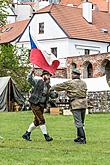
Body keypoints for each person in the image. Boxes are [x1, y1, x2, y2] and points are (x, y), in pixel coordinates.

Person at [53, 68, 87, 144]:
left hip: (76, 104)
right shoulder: (84, 83)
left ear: (75, 75)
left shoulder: (70, 83)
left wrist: (51, 88)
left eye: (72, 74)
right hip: (84, 104)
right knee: (81, 122)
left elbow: (59, 86)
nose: (71, 75)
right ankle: (79, 137)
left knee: (78, 122)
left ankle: (82, 139)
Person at [22, 69, 55, 142]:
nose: (49, 77)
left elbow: (52, 95)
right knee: (41, 119)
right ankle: (46, 136)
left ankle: (26, 134)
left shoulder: (49, 86)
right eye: (47, 75)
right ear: (43, 76)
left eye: (49, 76)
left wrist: (55, 94)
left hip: (42, 105)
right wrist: (31, 73)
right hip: (34, 103)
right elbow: (29, 79)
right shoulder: (37, 82)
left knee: (37, 121)